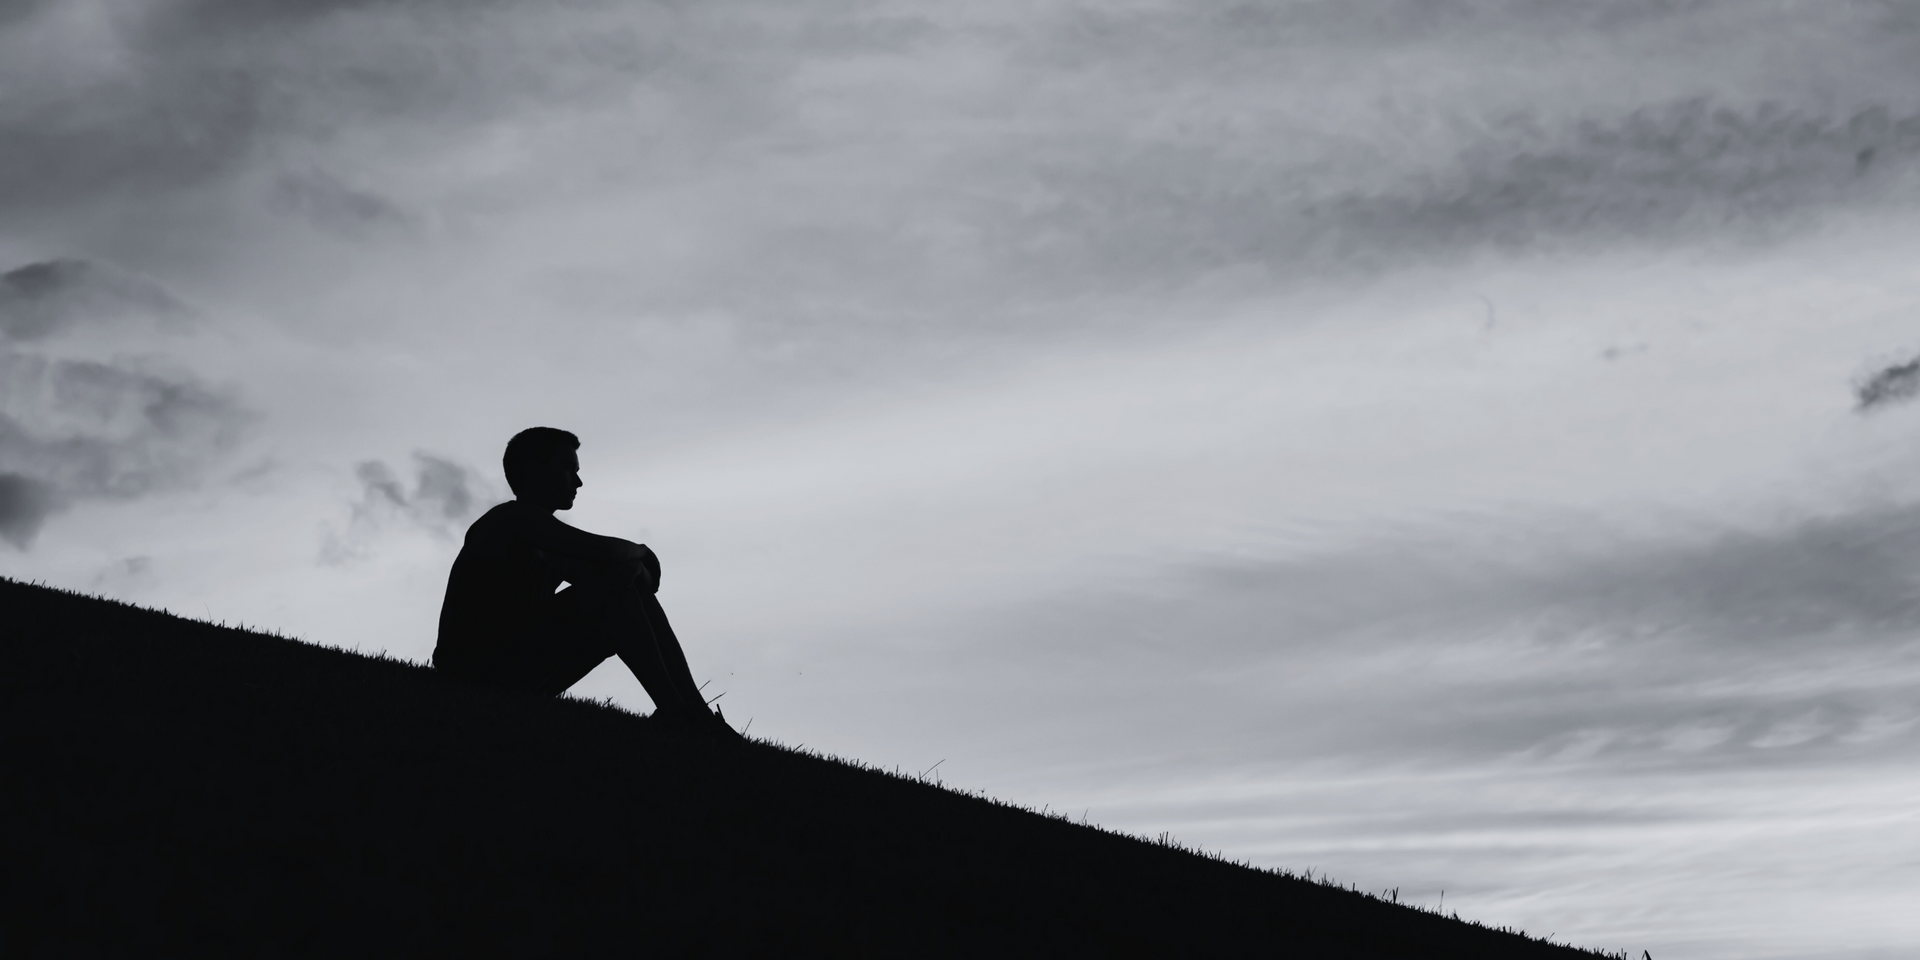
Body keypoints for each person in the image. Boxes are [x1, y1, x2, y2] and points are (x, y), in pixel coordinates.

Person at [432, 426, 738, 738]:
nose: (578, 481)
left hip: (512, 665)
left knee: (619, 586)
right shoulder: (510, 520)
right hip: (471, 670)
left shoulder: (551, 546)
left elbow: (644, 582)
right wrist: (641, 552)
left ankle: (692, 712)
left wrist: (633, 567)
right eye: (567, 468)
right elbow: (605, 552)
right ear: (534, 470)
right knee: (614, 588)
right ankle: (679, 714)